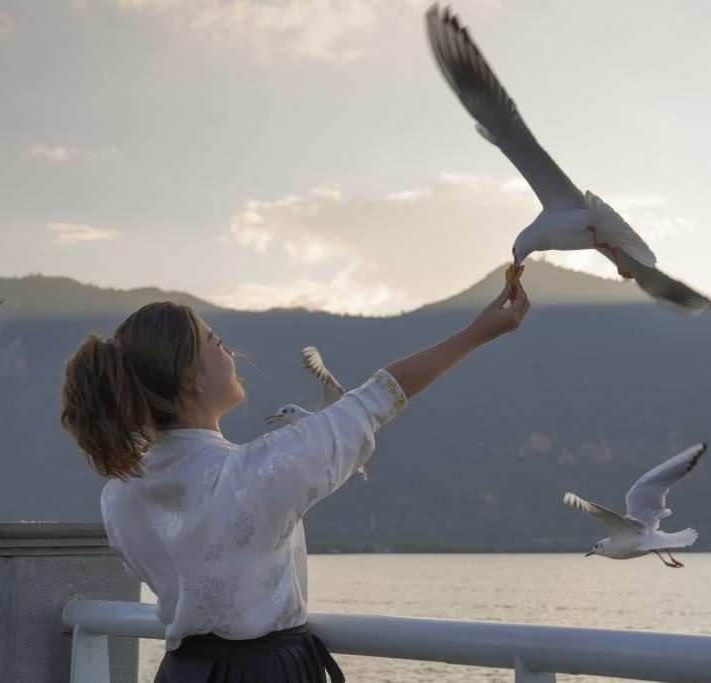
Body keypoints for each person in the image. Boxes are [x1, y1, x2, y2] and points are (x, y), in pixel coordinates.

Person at [60, 280, 530, 682]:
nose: (228, 350)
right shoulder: (253, 474)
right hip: (267, 672)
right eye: (214, 341)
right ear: (190, 380)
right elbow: (376, 397)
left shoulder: (119, 495)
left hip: (182, 671)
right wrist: (476, 333)